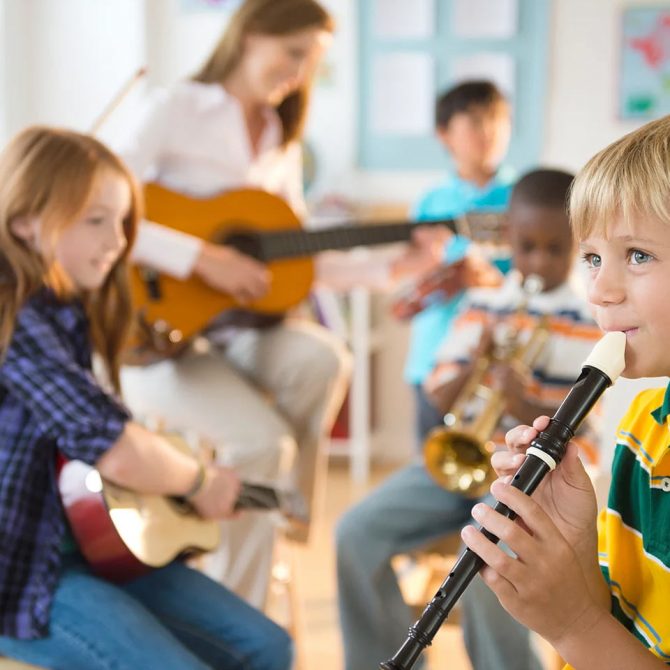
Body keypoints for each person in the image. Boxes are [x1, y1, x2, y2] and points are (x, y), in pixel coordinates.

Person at [0, 126, 291, 670]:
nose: (118, 240)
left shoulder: (64, 307)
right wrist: (201, 482)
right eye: (95, 220)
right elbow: (115, 448)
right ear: (23, 220)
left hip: (85, 545)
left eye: (122, 220)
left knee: (267, 645)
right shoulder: (12, 313)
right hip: (20, 571)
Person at [113, 0, 351, 608]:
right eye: (294, 53)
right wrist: (201, 258)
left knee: (325, 358)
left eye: (312, 62)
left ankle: (282, 504)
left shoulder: (281, 138)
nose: (299, 73)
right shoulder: (176, 107)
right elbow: (107, 208)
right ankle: (239, 614)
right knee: (264, 445)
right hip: (157, 340)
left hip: (236, 333)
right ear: (250, 35)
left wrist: (404, 264)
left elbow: (299, 257)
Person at [335, 169, 604, 670]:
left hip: (538, 480)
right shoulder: (485, 303)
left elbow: (578, 432)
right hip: (466, 459)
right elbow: (438, 398)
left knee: (493, 570)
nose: (539, 261)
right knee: (355, 531)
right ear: (508, 240)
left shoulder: (587, 318)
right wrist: (475, 362)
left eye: (554, 248)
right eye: (527, 247)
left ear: (578, 246)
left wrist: (521, 400)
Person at [461, 116, 670, 668]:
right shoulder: (646, 425)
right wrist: (576, 550)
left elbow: (592, 631)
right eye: (595, 258)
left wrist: (572, 626)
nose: (599, 290)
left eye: (639, 255)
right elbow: (622, 624)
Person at [402, 80, 515, 448]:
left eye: (498, 120)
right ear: (444, 134)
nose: (489, 132)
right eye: (475, 121)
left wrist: (489, 280)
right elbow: (410, 280)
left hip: (498, 359)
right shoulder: (430, 201)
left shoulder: (522, 197)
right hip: (433, 357)